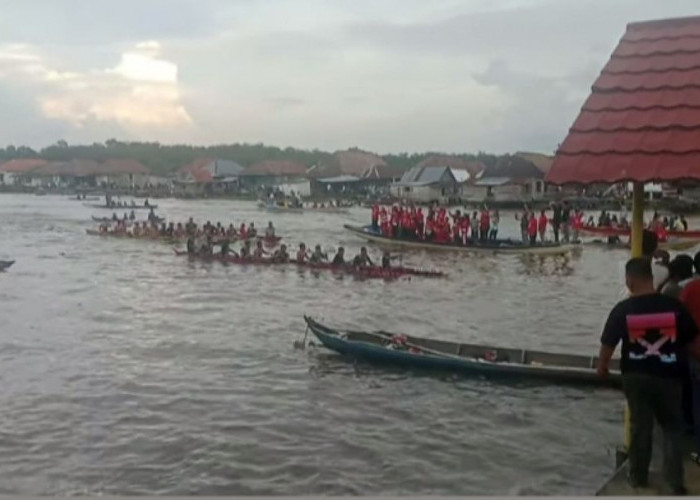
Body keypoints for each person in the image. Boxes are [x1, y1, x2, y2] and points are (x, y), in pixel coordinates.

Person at [597, 257, 700, 494]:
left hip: (636, 377)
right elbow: (693, 344)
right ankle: (675, 482)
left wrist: (602, 367)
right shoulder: (674, 307)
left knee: (639, 427)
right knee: (673, 428)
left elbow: (607, 345)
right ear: (651, 278)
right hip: (670, 376)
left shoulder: (623, 309)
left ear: (630, 279)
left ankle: (638, 477)